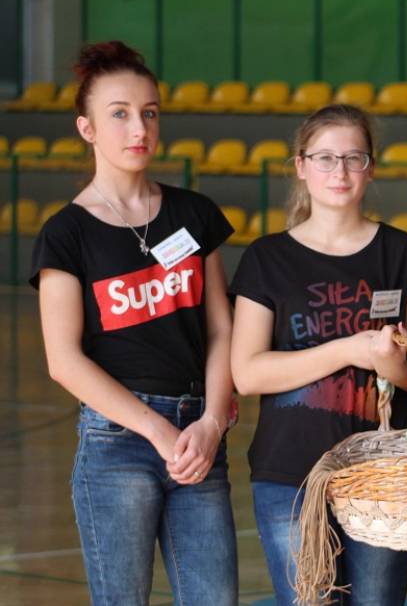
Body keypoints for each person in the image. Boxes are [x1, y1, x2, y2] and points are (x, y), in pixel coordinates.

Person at [30, 41, 238, 604]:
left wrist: (213, 423)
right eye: (118, 113)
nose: (138, 127)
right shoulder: (65, 234)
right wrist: (157, 430)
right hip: (117, 444)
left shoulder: (193, 214)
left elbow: (222, 330)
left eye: (149, 112)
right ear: (87, 128)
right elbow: (63, 361)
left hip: (199, 437)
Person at [230, 103, 407, 605]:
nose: (340, 171)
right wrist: (350, 348)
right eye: (325, 158)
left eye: (354, 157)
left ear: (371, 168)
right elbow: (247, 372)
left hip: (385, 476)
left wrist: (388, 359)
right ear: (301, 166)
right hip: (290, 476)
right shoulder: (267, 259)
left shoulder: (405, 254)